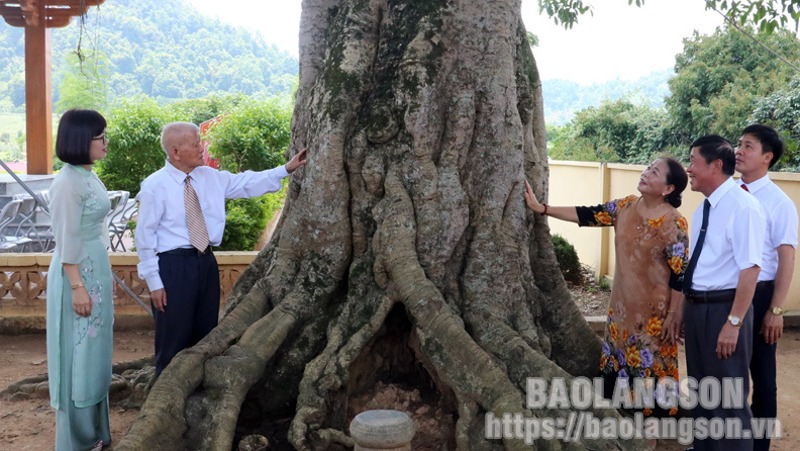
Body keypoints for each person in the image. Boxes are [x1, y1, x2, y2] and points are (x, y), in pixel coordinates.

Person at [135, 122, 307, 375]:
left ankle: (196, 395)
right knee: (173, 337)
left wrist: (285, 169)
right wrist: (154, 282)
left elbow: (246, 182)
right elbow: (144, 236)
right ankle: (164, 395)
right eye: (195, 144)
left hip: (205, 262)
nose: (202, 148)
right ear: (175, 152)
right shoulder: (154, 186)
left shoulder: (209, 177)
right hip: (173, 267)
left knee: (205, 334)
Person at [524, 157, 689, 415]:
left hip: (654, 320)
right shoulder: (624, 206)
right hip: (620, 314)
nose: (646, 173)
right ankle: (621, 419)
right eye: (647, 168)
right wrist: (542, 208)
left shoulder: (674, 223)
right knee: (619, 368)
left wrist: (672, 316)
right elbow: (588, 214)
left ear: (668, 189)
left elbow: (681, 275)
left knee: (650, 372)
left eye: (654, 172)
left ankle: (651, 430)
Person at [683, 135, 766, 451]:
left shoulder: (743, 206)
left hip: (725, 310)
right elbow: (699, 265)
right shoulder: (703, 208)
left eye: (693, 161)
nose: (689, 168)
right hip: (698, 309)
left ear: (715, 165)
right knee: (703, 393)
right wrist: (683, 312)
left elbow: (751, 269)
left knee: (729, 400)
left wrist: (733, 323)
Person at [46, 109, 115, 451]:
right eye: (99, 137)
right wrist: (77, 286)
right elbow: (66, 238)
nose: (105, 143)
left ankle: (95, 431)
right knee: (78, 355)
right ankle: (76, 438)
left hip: (95, 269)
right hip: (76, 275)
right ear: (79, 140)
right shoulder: (66, 183)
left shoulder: (88, 175)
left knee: (95, 354)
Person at [734, 124, 797, 451]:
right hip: (728, 295)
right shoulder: (730, 195)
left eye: (748, 146)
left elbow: (786, 258)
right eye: (739, 144)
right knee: (728, 375)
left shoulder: (779, 203)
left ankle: (758, 446)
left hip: (760, 295)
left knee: (763, 377)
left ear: (767, 157)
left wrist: (775, 310)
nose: (739, 151)